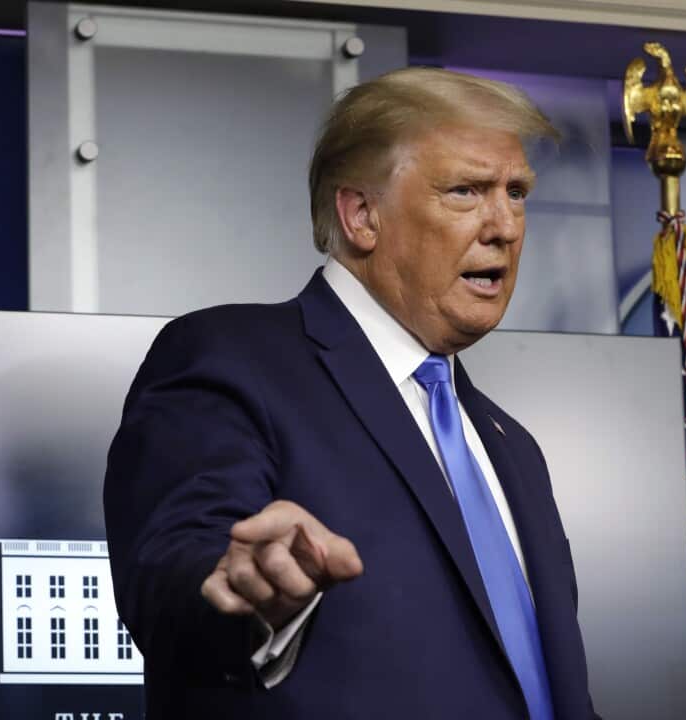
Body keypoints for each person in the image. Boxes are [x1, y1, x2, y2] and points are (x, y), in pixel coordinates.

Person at [103, 67, 597, 719]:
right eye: (466, 191)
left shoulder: (514, 449)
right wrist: (243, 589)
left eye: (517, 192)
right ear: (361, 215)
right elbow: (177, 563)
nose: (504, 225)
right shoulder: (232, 357)